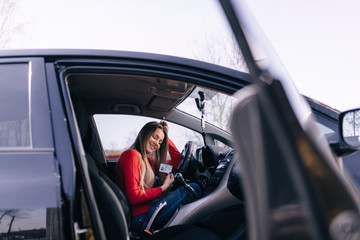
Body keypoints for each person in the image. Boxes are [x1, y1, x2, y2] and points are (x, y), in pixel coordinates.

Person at [116, 121, 202, 233]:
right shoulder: (132, 155)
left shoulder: (148, 161)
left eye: (160, 142)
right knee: (194, 187)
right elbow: (134, 197)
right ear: (145, 134)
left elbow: (177, 161)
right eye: (154, 137)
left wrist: (165, 135)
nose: (157, 144)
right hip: (141, 219)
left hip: (148, 210)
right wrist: (163, 188)